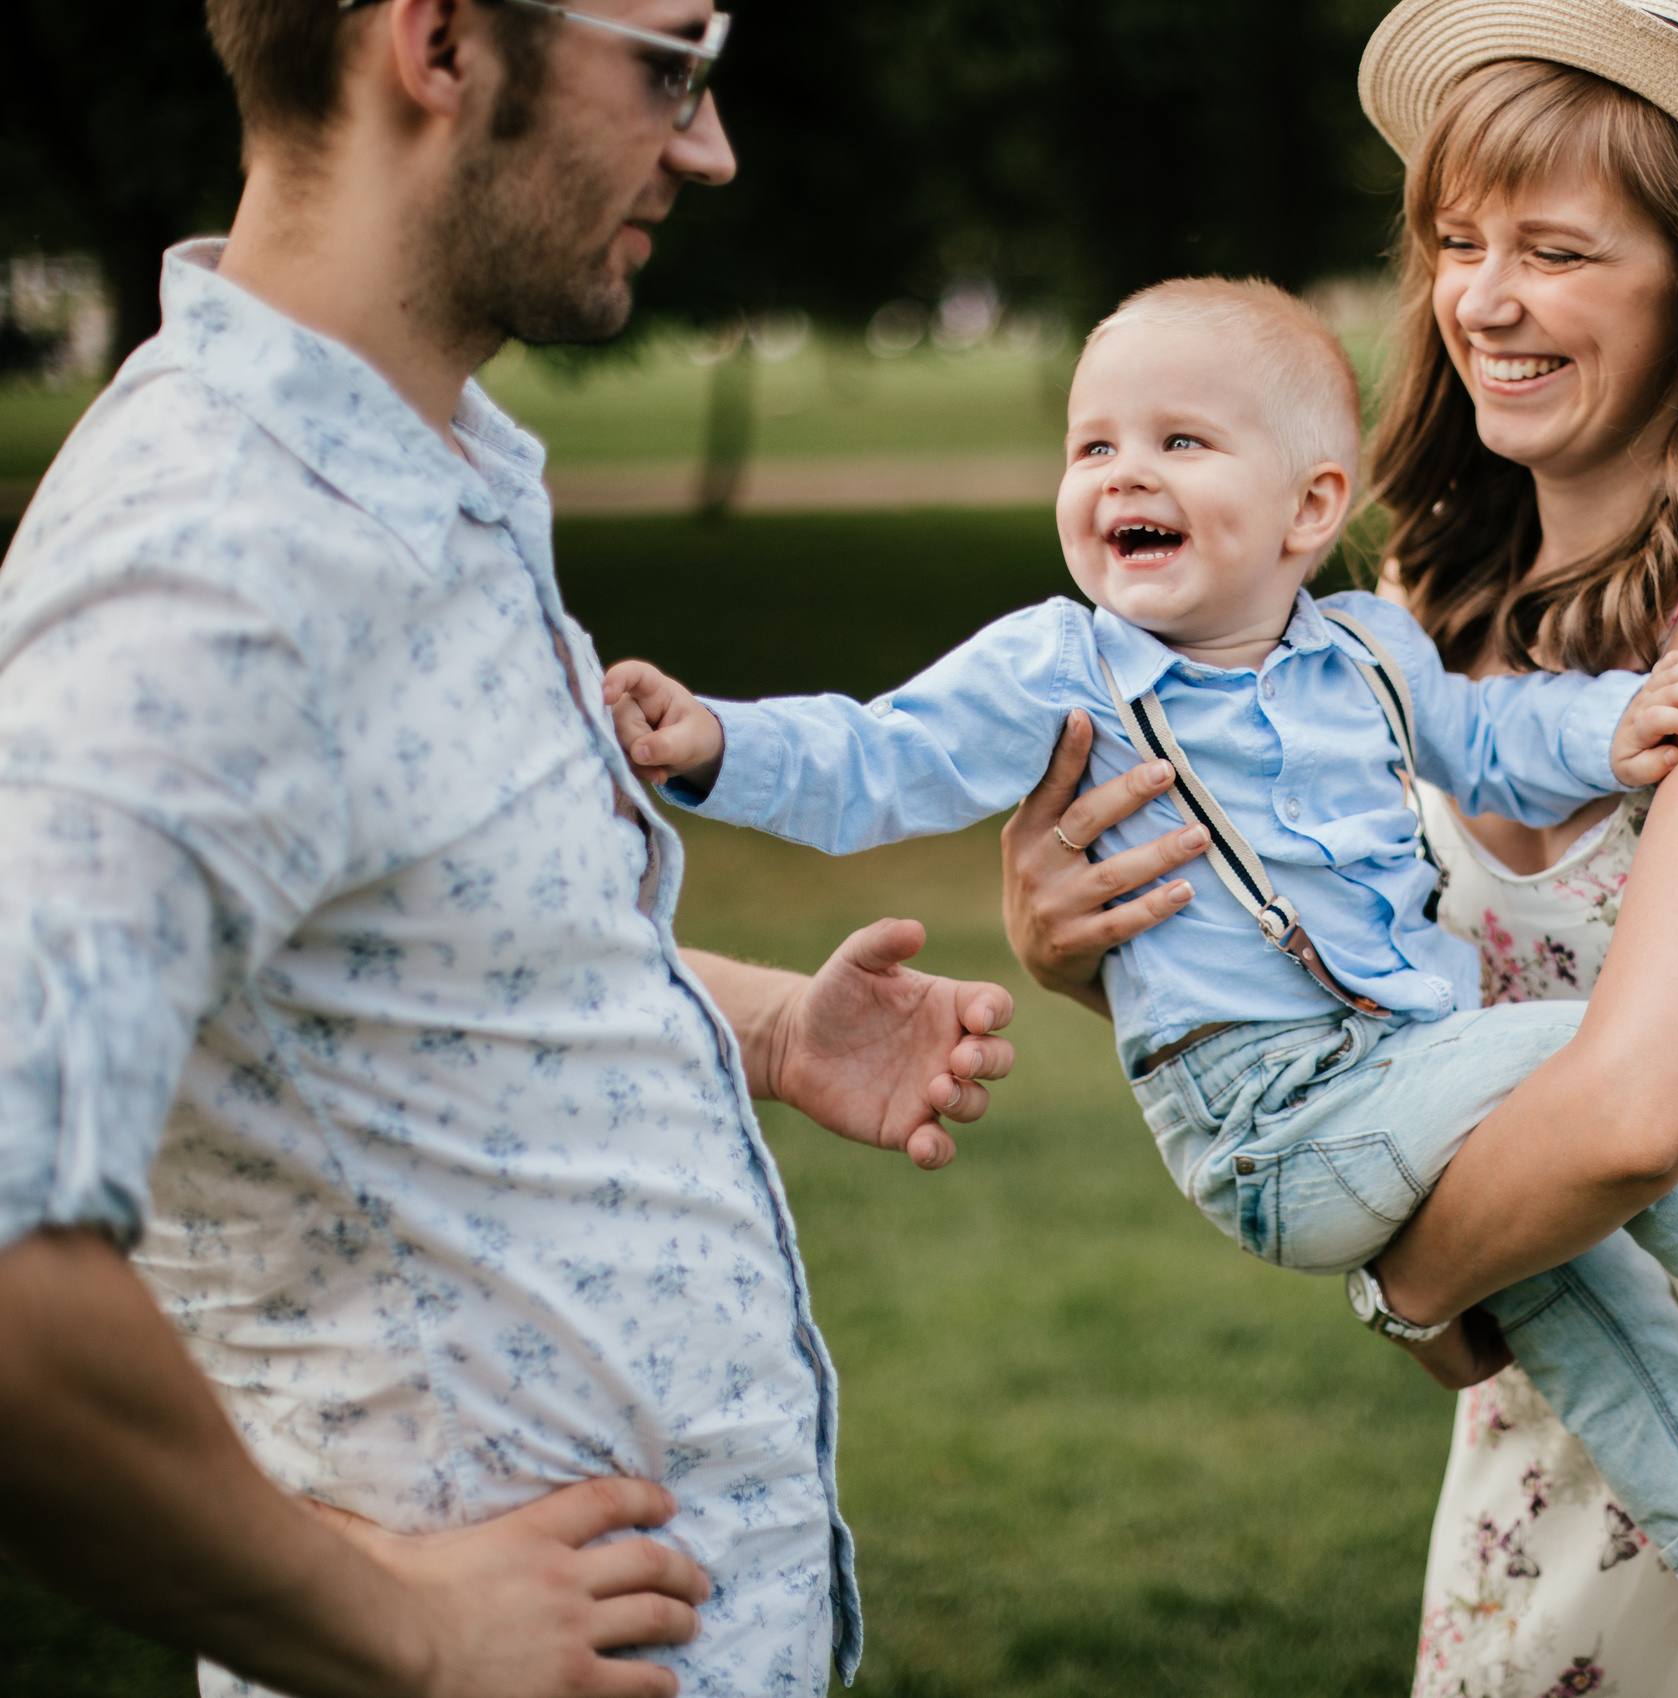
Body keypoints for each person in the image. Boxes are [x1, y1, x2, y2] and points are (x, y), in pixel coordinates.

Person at [605, 276, 1678, 1696]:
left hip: (1405, 1089)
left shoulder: (1368, 647)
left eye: (1181, 441)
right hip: (1271, 1121)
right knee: (1586, 1051)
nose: (1123, 474)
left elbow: (1488, 737)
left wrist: (1617, 724)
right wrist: (712, 743)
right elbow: (875, 756)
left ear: (1310, 510)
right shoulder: (1062, 670)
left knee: (1596, 1315)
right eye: (1093, 444)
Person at [1001, 2, 1678, 1692]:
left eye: (1557, 250)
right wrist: (1085, 956)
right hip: (1567, 1406)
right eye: (1457, 242)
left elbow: (1641, 1112)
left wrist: (1405, 1282)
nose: (1484, 300)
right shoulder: (1417, 605)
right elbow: (1337, 1028)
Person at [0, 4, 1015, 1696]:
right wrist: (404, 1627)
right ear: (442, 43)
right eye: (670, 63)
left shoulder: (420, 466)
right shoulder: (212, 563)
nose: (710, 146)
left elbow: (392, 944)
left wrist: (762, 1023)